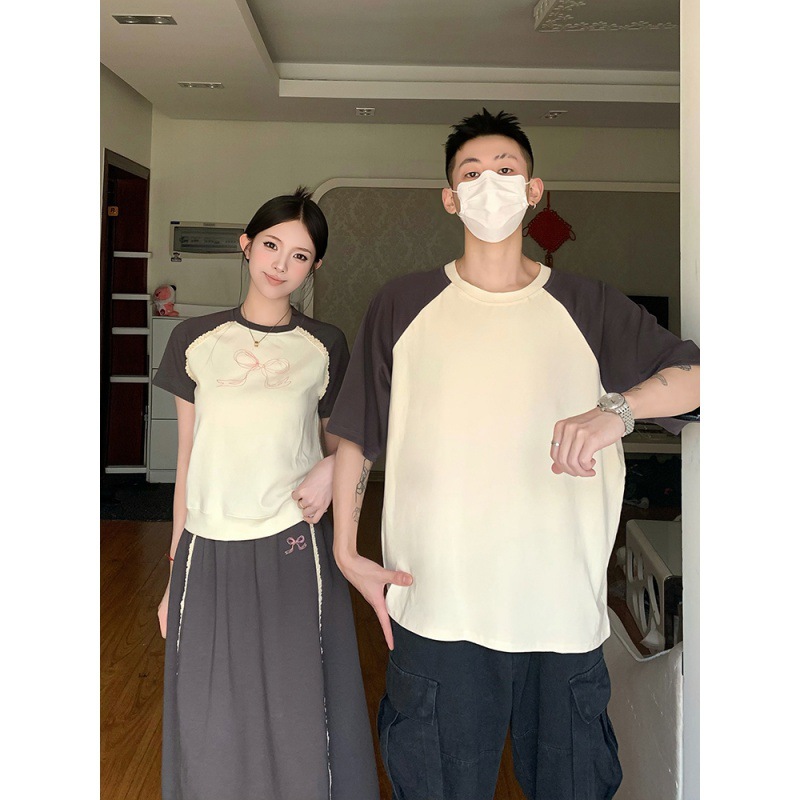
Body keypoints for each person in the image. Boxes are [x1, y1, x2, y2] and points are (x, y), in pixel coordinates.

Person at [327, 110, 700, 800]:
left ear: (533, 191)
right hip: (438, 605)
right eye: (471, 173)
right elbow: (358, 436)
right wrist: (347, 552)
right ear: (450, 198)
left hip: (558, 609)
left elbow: (698, 378)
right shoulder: (402, 303)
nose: (488, 184)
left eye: (505, 170)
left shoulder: (588, 305)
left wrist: (616, 410)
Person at [154, 188, 379, 800]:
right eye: (272, 245)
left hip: (292, 544)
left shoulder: (324, 345)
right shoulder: (194, 340)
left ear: (315, 267)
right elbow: (187, 460)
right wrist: (174, 574)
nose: (281, 264)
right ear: (246, 245)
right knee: (209, 713)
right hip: (207, 546)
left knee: (297, 707)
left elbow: (346, 447)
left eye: (300, 256)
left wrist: (330, 469)